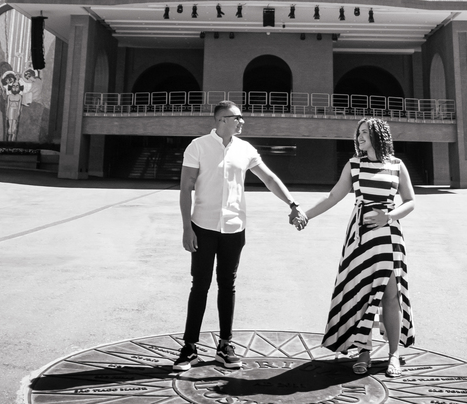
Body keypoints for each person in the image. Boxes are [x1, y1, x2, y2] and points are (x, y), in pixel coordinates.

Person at [174, 100, 307, 372]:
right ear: (222, 119)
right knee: (200, 285)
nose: (242, 121)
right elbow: (186, 187)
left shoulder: (245, 149)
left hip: (234, 229)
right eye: (238, 117)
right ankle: (189, 348)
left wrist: (293, 203)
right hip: (203, 227)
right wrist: (187, 228)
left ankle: (225, 346)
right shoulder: (198, 146)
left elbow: (269, 178)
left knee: (227, 285)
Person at [298, 118, 416, 378]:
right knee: (361, 293)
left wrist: (389, 217)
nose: (360, 137)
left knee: (390, 295)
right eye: (359, 132)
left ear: (378, 136)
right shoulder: (354, 165)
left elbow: (410, 201)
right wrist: (306, 215)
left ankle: (393, 354)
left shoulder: (396, 165)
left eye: (365, 132)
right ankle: (363, 352)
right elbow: (333, 196)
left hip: (388, 236)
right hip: (360, 239)